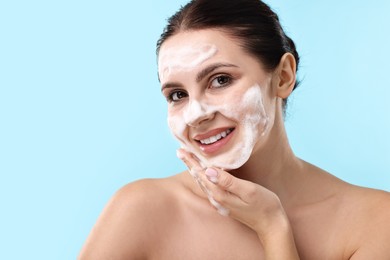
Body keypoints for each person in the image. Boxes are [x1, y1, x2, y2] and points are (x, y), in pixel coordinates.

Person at [79, 0, 390, 259]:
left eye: (220, 80)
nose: (195, 115)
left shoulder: (374, 220)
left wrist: (273, 228)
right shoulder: (141, 209)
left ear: (282, 77)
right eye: (178, 95)